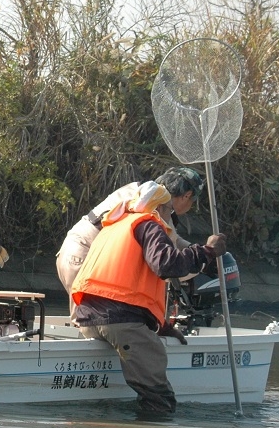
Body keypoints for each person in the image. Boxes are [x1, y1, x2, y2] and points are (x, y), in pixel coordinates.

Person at [70, 180, 225, 415]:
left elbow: (125, 285)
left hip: (89, 318)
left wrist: (161, 325)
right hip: (118, 320)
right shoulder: (149, 224)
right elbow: (166, 265)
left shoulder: (115, 224)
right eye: (168, 210)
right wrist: (207, 252)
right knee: (159, 398)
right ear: (159, 208)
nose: (169, 216)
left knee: (146, 347)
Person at [56, 167, 206, 315]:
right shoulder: (152, 206)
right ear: (187, 195)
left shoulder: (144, 192)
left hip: (72, 250)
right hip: (85, 257)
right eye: (192, 201)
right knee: (91, 321)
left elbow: (173, 240)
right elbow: (167, 264)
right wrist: (204, 261)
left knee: (93, 323)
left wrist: (195, 248)